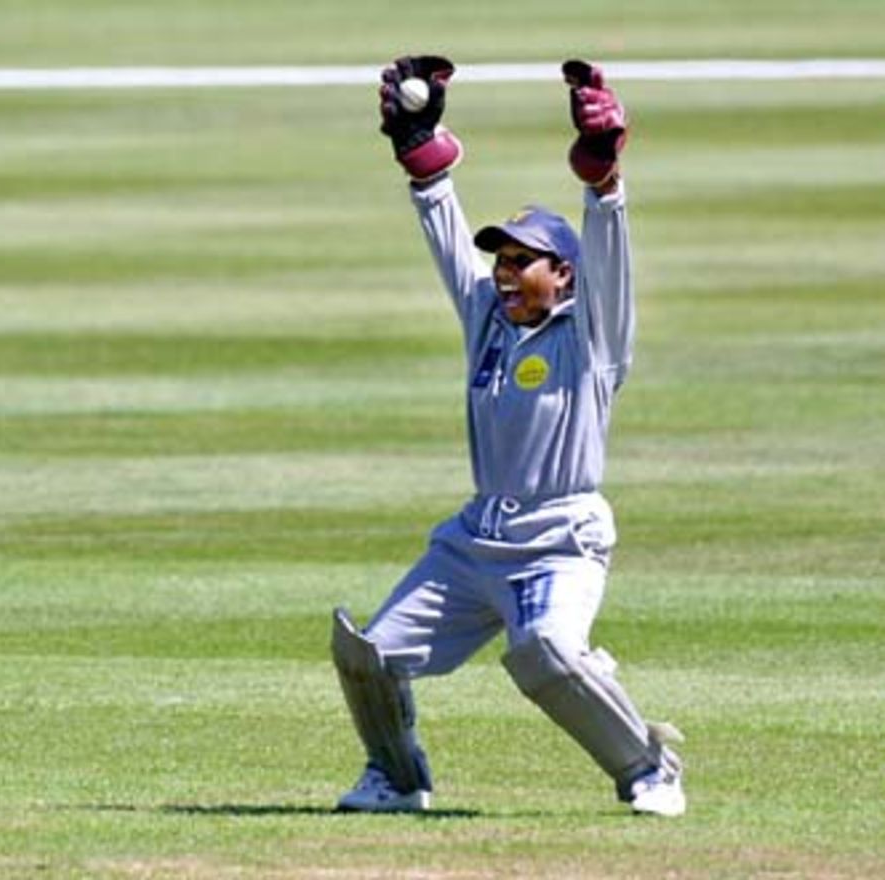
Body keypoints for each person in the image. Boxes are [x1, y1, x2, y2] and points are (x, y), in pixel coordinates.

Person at [330, 56, 686, 817]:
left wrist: (602, 179)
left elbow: (611, 258)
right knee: (368, 657)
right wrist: (419, 152)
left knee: (544, 656)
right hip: (475, 537)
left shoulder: (593, 338)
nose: (504, 271)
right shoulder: (487, 321)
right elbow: (445, 240)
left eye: (524, 261)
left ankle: (650, 768)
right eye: (501, 258)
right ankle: (396, 776)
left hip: (560, 536)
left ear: (563, 274)